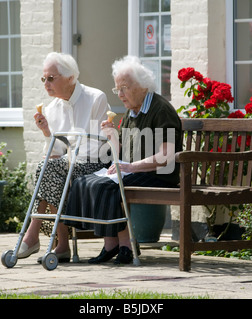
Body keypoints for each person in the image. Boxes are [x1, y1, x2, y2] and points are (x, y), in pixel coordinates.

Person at [64, 56, 182, 264]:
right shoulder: (131, 112)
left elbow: (166, 156)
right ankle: (113, 244)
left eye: (124, 88)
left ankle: (121, 245)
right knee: (86, 181)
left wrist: (131, 166)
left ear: (142, 86)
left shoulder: (161, 109)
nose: (120, 94)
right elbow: (122, 155)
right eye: (117, 89)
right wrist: (112, 137)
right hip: (136, 172)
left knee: (107, 187)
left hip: (159, 175)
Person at [18, 52, 110, 262]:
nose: (46, 84)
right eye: (44, 79)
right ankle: (58, 244)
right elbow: (54, 151)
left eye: (51, 78)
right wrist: (47, 132)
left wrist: (67, 158)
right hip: (66, 165)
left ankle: (36, 236)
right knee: (48, 168)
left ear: (70, 78)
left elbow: (99, 144)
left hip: (95, 163)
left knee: (49, 169)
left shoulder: (96, 98)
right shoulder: (52, 108)